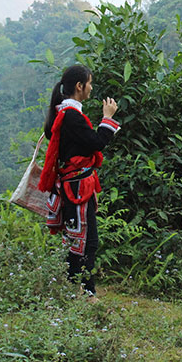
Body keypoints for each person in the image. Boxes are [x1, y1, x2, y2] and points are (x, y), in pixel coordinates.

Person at [38, 65, 120, 300]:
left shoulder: (63, 113)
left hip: (73, 187)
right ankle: (87, 293)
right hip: (77, 188)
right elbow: (96, 142)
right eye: (89, 83)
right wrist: (107, 118)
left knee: (78, 238)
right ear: (79, 86)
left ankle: (75, 288)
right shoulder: (72, 116)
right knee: (86, 240)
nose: (91, 88)